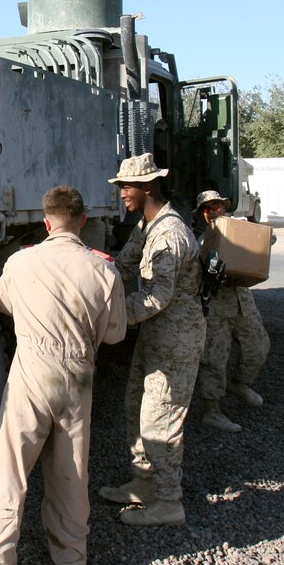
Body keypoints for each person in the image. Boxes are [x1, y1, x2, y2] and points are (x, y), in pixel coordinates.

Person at [0, 186, 126, 565]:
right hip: (78, 379)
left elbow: (2, 304)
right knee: (71, 475)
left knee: (6, 473)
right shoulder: (103, 269)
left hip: (31, 372)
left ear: (46, 222)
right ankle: (72, 561)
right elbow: (114, 334)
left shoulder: (20, 263)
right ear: (83, 221)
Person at [97, 153, 204, 526]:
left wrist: (108, 316)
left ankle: (169, 501)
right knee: (135, 407)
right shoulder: (147, 225)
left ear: (145, 187)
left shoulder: (169, 234)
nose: (121, 193)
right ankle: (143, 482)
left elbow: (158, 295)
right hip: (156, 334)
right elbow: (124, 265)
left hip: (176, 338)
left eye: (125, 187)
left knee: (162, 419)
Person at [192, 190, 271, 433]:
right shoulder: (198, 242)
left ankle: (240, 383)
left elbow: (266, 241)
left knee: (258, 347)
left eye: (217, 206)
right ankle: (212, 411)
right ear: (201, 214)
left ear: (224, 208)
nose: (213, 211)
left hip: (242, 302)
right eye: (207, 208)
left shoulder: (238, 230)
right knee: (214, 359)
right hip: (215, 307)